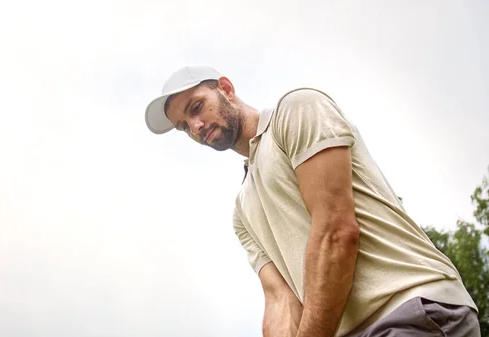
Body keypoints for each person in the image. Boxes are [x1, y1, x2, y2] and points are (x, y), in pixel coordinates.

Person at [143, 65, 481, 337]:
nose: (196, 126)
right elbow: (280, 302)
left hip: (411, 309)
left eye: (196, 107)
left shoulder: (296, 110)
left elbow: (336, 234)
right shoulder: (242, 211)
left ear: (226, 88)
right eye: (183, 126)